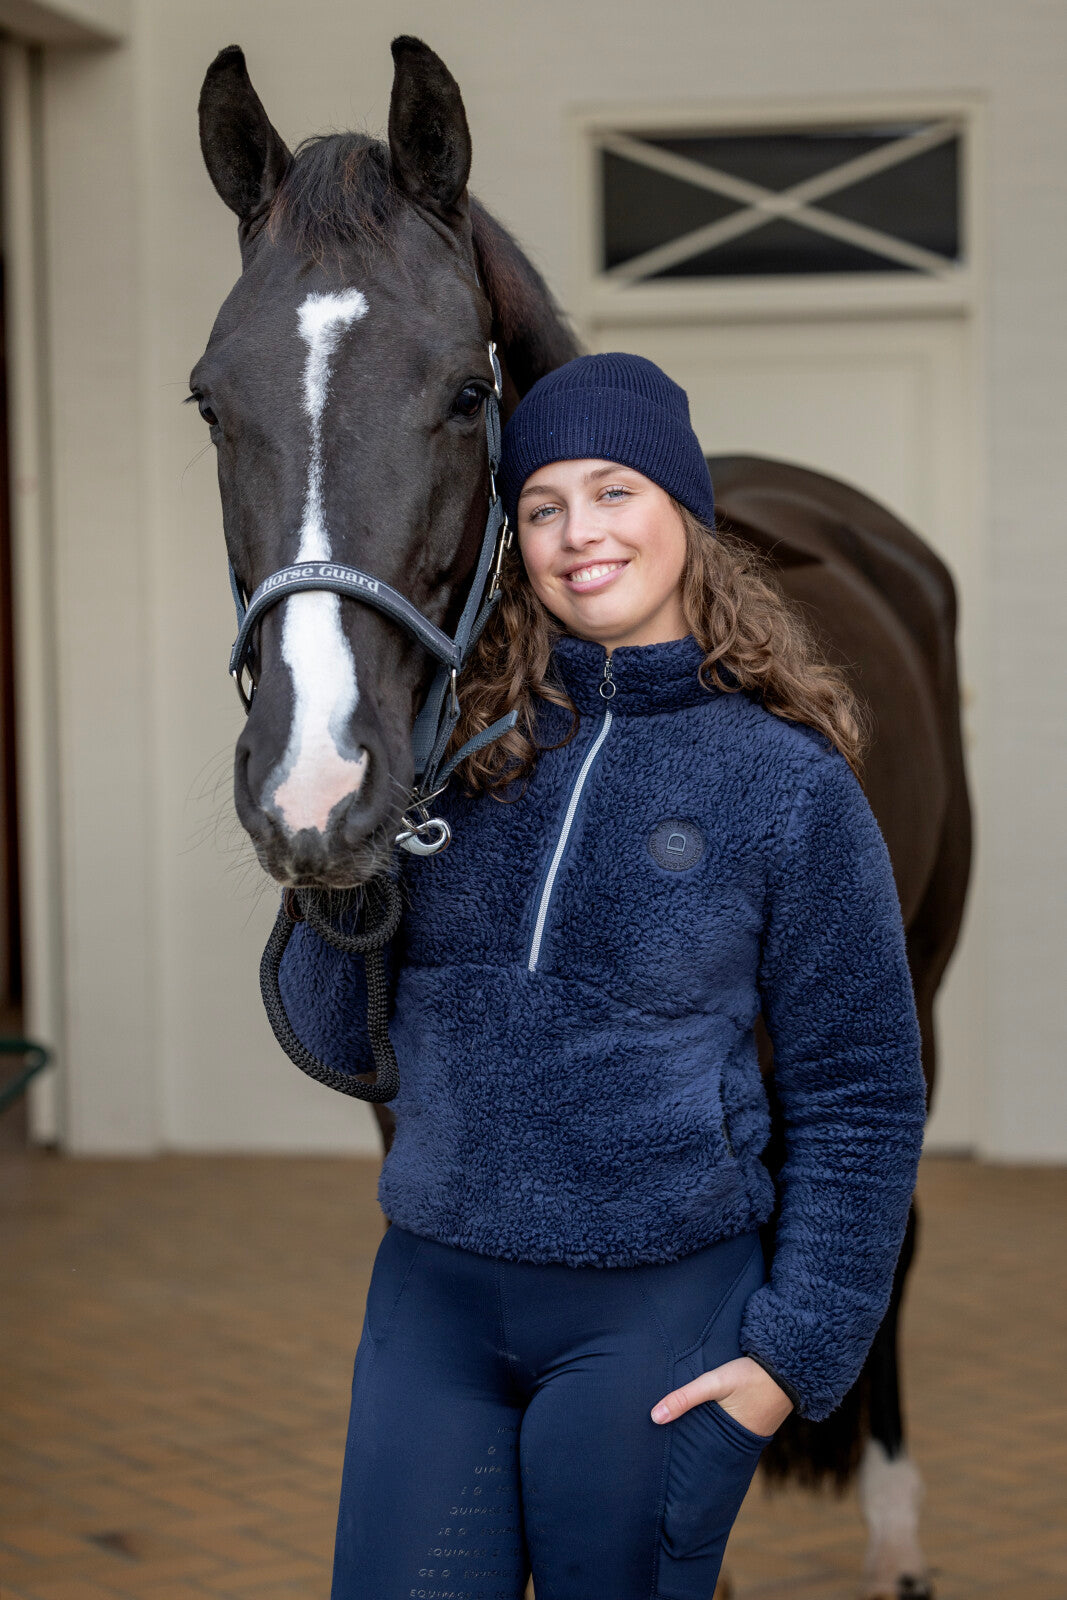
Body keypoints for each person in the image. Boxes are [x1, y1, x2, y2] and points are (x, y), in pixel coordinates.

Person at [279, 353, 928, 1600]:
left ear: (680, 512)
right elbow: (337, 1039)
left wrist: (796, 1355)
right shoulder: (449, 760)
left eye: (612, 490)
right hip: (432, 1305)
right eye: (539, 507)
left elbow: (860, 1094)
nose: (578, 534)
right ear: (510, 540)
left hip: (657, 1317)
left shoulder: (786, 786)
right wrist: (333, 852)